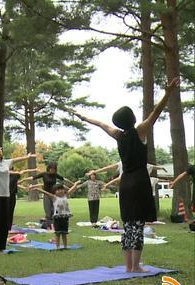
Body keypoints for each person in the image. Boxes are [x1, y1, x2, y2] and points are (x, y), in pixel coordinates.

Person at [70, 77, 179, 272]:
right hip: (138, 182)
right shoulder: (140, 131)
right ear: (132, 118)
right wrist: (168, 92)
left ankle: (129, 265)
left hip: (125, 182)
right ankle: (136, 266)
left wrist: (84, 117)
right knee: (137, 225)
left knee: (128, 224)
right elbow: (156, 112)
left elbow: (101, 124)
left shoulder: (118, 135)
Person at [30, 182, 80, 249]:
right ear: (54, 192)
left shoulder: (65, 196)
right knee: (57, 233)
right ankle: (57, 247)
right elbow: (46, 193)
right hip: (57, 218)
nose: (60, 191)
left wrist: (76, 184)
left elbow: (72, 189)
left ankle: (65, 246)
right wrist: (37, 189)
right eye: (58, 190)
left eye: (61, 189)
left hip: (65, 218)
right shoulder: (54, 198)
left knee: (64, 233)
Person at [30, 163, 75, 229]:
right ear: (49, 168)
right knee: (47, 210)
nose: (53, 170)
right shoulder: (44, 174)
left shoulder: (55, 175)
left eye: (54, 169)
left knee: (54, 209)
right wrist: (23, 181)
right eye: (52, 169)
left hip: (54, 195)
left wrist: (73, 184)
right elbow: (33, 178)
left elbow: (64, 179)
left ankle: (54, 224)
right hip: (46, 194)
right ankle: (49, 224)